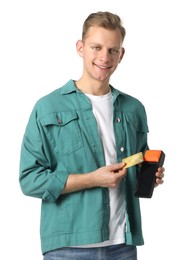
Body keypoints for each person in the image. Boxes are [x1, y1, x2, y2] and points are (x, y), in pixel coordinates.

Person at [19, 11, 165, 260]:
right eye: (96, 47)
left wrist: (149, 177)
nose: (104, 57)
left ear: (122, 54)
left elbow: (136, 167)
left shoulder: (134, 108)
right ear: (80, 48)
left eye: (112, 50)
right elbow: (30, 179)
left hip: (123, 244)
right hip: (67, 247)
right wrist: (92, 179)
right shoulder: (47, 107)